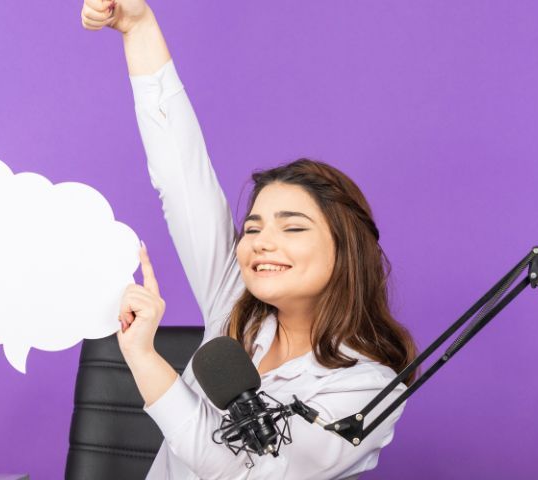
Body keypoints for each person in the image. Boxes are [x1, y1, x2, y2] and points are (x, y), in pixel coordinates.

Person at [81, 1, 419, 478]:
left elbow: (242, 473)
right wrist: (138, 28)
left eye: (293, 227)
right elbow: (181, 178)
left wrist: (144, 358)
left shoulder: (367, 388)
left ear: (346, 251)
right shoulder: (234, 302)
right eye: (254, 227)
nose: (261, 241)